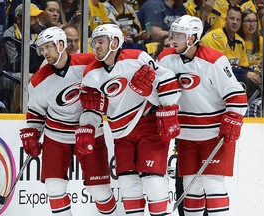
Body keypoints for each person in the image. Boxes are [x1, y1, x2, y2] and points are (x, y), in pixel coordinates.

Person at [78, 23, 182, 215]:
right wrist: (87, 128)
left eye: (100, 42)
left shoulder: (137, 57)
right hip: (121, 133)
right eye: (94, 43)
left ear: (115, 42)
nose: (96, 46)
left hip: (148, 124)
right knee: (128, 184)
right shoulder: (91, 74)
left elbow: (168, 80)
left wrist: (165, 106)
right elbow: (92, 107)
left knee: (153, 182)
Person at [19, 26, 117, 216]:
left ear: (61, 45)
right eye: (42, 48)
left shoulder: (88, 63)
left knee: (100, 190)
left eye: (49, 47)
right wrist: (32, 133)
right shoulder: (38, 81)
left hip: (90, 133)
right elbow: (35, 113)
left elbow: (105, 90)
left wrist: (91, 121)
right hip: (56, 137)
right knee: (54, 187)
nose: (45, 52)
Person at [156, 15, 248, 215]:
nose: (173, 39)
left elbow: (237, 95)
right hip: (186, 134)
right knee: (191, 186)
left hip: (215, 134)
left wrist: (233, 119)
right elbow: (158, 94)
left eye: (179, 35)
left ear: (192, 38)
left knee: (212, 184)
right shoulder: (164, 59)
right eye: (173, 34)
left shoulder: (214, 60)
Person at [201, 6, 260, 91]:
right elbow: (219, 68)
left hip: (227, 81)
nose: (235, 22)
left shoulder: (240, 41)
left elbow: (243, 66)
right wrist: (245, 73)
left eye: (238, 19)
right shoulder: (215, 38)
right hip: (208, 82)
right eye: (232, 18)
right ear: (226, 19)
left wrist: (254, 71)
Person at [238, 9, 263, 100]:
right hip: (244, 78)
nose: (252, 25)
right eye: (248, 21)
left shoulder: (262, 41)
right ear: (241, 23)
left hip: (261, 78)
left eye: (254, 21)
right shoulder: (237, 41)